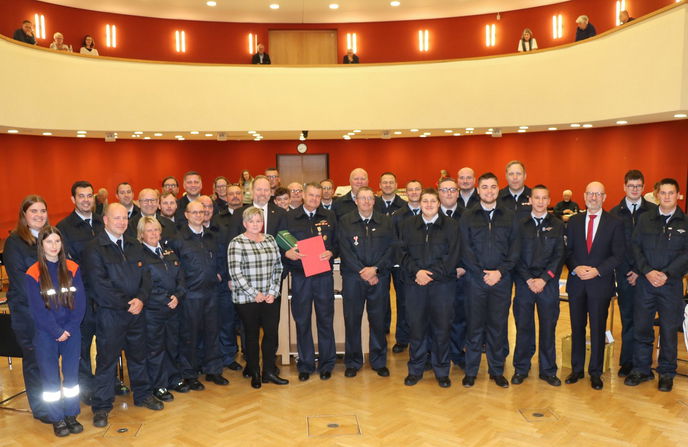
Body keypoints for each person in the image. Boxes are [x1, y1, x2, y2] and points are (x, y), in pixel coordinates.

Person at [83, 203, 162, 428]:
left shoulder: (134, 245)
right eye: (116, 218)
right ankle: (102, 407)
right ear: (105, 220)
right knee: (106, 361)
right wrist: (128, 304)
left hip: (137, 311)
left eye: (124, 218)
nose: (121, 222)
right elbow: (99, 286)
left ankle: (143, 394)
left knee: (139, 356)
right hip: (111, 315)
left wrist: (141, 299)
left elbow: (146, 276)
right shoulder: (94, 248)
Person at [626, 178, 688, 392]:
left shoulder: (685, 222)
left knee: (669, 330)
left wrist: (667, 274)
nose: (667, 196)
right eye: (663, 193)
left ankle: (667, 372)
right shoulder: (645, 219)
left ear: (678, 195)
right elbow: (635, 248)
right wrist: (648, 271)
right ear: (656, 194)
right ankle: (641, 369)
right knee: (642, 327)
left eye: (671, 193)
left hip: (671, 286)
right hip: (646, 283)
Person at [25, 227, 86, 437]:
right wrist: (56, 331)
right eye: (49, 242)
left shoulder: (73, 268)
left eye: (57, 242)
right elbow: (37, 310)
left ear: (62, 244)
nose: (54, 246)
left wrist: (69, 329)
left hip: (71, 332)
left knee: (71, 378)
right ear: (41, 245)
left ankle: (71, 414)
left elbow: (80, 304)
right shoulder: (33, 273)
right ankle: (57, 418)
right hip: (46, 334)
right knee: (50, 380)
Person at [460, 173, 520, 389]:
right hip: (475, 281)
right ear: (478, 190)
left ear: (498, 189)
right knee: (474, 327)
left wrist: (499, 272)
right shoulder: (468, 216)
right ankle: (471, 371)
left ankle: (496, 370)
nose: (488, 191)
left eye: (493, 187)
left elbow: (515, 249)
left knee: (498, 327)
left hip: (502, 281)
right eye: (484, 187)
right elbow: (465, 249)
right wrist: (481, 274)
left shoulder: (510, 215)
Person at [564, 181, 624, 390]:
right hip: (577, 283)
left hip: (600, 283)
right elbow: (568, 252)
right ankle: (577, 369)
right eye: (590, 193)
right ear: (584, 195)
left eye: (598, 194)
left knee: (598, 329)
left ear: (605, 197)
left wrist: (598, 270)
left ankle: (595, 372)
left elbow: (618, 255)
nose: (594, 197)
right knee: (577, 327)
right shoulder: (574, 222)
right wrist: (576, 267)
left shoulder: (614, 223)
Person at [398, 189, 460, 388]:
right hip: (415, 285)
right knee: (416, 328)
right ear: (419, 203)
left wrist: (431, 274)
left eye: (433, 201)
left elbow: (452, 256)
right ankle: (415, 370)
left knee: (441, 329)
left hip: (442, 286)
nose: (429, 204)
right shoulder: (407, 225)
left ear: (439, 203)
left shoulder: (451, 226)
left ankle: (442, 370)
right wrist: (417, 272)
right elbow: (401, 253)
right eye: (425, 201)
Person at [169, 200, 228, 390]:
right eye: (194, 212)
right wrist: (182, 289)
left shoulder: (211, 237)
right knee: (190, 336)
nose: (198, 215)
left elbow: (220, 259)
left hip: (211, 293)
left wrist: (219, 274)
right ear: (186, 215)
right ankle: (189, 374)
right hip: (190, 295)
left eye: (201, 212)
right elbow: (174, 269)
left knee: (212, 333)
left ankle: (213, 370)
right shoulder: (178, 239)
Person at [338, 187, 395, 378]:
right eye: (362, 198)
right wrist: (362, 271)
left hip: (379, 278)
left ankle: (379, 361)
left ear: (374, 200)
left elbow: (391, 249)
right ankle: (353, 361)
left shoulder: (385, 221)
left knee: (378, 321)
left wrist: (375, 269)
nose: (366, 202)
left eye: (370, 198)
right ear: (356, 201)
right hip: (353, 278)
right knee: (352, 320)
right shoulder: (346, 221)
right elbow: (345, 249)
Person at [228, 207, 288, 388]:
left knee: (271, 334)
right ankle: (254, 371)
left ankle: (268, 371)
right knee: (251, 336)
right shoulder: (237, 243)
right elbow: (235, 273)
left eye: (259, 221)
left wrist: (273, 291)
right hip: (247, 299)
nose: (256, 224)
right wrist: (255, 294)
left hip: (270, 297)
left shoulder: (270, 239)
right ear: (245, 223)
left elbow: (278, 267)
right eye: (251, 221)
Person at [283, 182, 337, 381]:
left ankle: (327, 363)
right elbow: (280, 243)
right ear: (303, 195)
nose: (315, 199)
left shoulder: (329, 216)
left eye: (318, 195)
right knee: (302, 320)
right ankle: (305, 364)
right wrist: (287, 253)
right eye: (311, 195)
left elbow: (338, 243)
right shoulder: (289, 217)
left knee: (325, 320)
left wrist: (332, 251)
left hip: (323, 276)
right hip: (300, 277)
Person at [511, 185, 565, 387]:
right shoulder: (520, 224)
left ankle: (548, 370)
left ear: (549, 200)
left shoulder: (558, 225)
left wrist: (544, 278)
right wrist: (528, 279)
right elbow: (515, 255)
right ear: (530, 200)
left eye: (544, 198)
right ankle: (521, 368)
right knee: (523, 327)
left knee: (548, 328)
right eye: (537, 198)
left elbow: (559, 255)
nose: (541, 202)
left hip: (548, 284)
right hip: (525, 283)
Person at [3, 196, 51, 423]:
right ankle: (41, 409)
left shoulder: (50, 238)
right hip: (28, 313)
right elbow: (22, 284)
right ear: (24, 215)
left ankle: (53, 402)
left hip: (52, 311)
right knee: (34, 360)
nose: (39, 215)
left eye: (43, 211)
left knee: (49, 359)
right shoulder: (14, 242)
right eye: (34, 211)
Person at [56, 181, 103, 405]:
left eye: (89, 196)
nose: (86, 200)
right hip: (81, 297)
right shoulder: (64, 227)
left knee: (106, 343)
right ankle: (86, 388)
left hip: (104, 297)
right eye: (81, 196)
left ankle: (106, 383)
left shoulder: (103, 222)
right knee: (82, 347)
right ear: (73, 200)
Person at [609, 170, 657, 377]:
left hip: (648, 276)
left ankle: (643, 365)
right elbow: (614, 247)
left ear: (644, 188)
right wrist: (629, 271)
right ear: (624, 187)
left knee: (645, 322)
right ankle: (627, 362)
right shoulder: (613, 213)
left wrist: (640, 271)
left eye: (638, 186)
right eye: (631, 186)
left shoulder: (654, 212)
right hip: (624, 275)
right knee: (628, 319)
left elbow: (655, 246)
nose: (635, 190)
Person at [138, 216, 186, 401]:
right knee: (155, 349)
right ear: (142, 234)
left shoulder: (168, 251)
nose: (154, 234)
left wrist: (178, 295)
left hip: (173, 308)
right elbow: (143, 284)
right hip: (153, 310)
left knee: (172, 345)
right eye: (149, 231)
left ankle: (174, 378)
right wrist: (165, 298)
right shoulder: (140, 255)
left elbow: (181, 276)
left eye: (156, 230)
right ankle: (159, 385)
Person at [390, 180, 423, 354]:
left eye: (417, 189)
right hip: (403, 267)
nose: (414, 192)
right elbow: (395, 242)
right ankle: (402, 339)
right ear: (406, 193)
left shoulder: (430, 211)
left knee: (423, 305)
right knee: (403, 304)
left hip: (424, 268)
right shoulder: (398, 215)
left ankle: (422, 337)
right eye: (410, 189)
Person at [438, 178, 467, 370]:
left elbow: (471, 244)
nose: (448, 193)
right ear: (438, 192)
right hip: (437, 277)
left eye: (452, 190)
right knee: (436, 317)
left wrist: (463, 266)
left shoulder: (468, 215)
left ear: (458, 193)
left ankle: (457, 353)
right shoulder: (429, 214)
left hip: (461, 274)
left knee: (458, 317)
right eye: (444, 190)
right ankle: (436, 354)